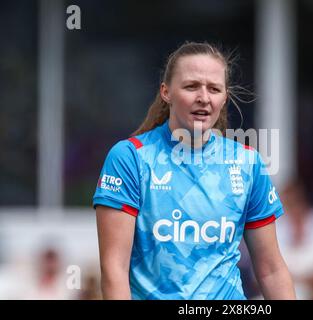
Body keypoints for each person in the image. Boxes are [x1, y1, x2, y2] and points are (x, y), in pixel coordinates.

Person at [93, 41, 296, 300]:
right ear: (166, 92)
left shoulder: (248, 163)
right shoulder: (129, 158)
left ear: (224, 98)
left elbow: (271, 270)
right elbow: (113, 270)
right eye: (191, 86)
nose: (204, 97)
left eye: (214, 88)